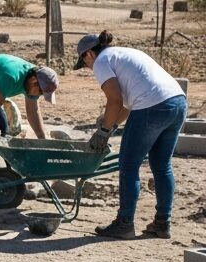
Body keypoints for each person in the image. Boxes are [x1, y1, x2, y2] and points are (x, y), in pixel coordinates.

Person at [75, 30, 187, 240]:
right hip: (178, 103)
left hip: (152, 106)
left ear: (89, 54)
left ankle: (124, 223)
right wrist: (113, 124)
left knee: (128, 165)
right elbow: (126, 106)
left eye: (84, 63)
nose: (88, 68)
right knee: (162, 166)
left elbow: (114, 100)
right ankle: (162, 223)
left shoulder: (101, 61)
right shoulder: (125, 54)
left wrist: (103, 131)